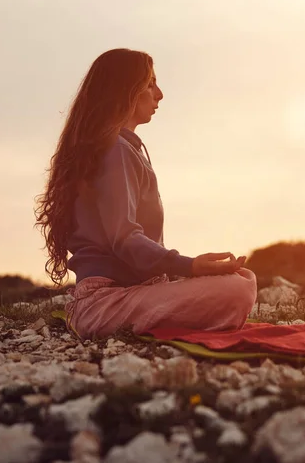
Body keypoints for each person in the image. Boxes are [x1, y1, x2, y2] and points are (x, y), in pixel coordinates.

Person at [35, 48, 257, 339]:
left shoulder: (119, 149)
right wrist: (189, 266)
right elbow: (124, 239)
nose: (159, 94)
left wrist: (186, 271)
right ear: (124, 90)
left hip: (125, 296)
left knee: (240, 279)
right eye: (150, 83)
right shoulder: (114, 150)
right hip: (106, 304)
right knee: (239, 287)